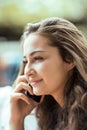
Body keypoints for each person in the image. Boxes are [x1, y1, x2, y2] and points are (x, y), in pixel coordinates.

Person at [7, 17, 87, 130]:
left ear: (69, 59)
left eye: (38, 58)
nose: (28, 71)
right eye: (25, 61)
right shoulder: (53, 117)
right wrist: (16, 121)